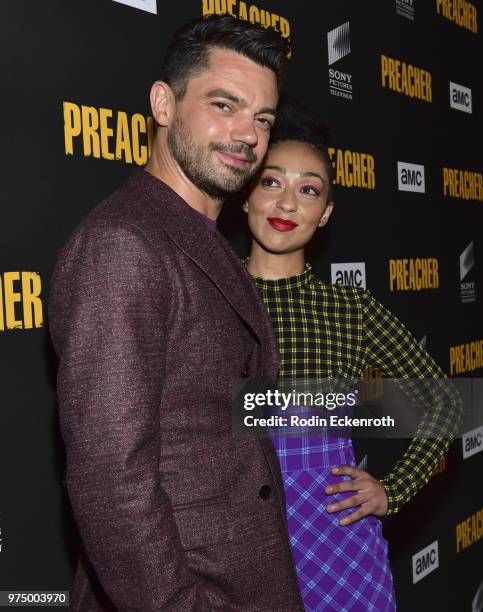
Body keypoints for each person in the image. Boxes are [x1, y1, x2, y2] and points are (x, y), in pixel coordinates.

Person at [49, 16, 305, 612]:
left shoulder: (206, 239)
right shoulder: (125, 243)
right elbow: (111, 479)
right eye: (224, 104)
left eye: (263, 119)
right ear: (164, 104)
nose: (247, 134)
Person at [243, 100, 461, 611]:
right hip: (235, 531)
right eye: (272, 182)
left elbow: (444, 404)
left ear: (326, 214)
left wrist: (393, 489)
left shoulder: (350, 308)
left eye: (309, 190)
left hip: (332, 534)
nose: (288, 203)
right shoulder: (207, 293)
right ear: (245, 192)